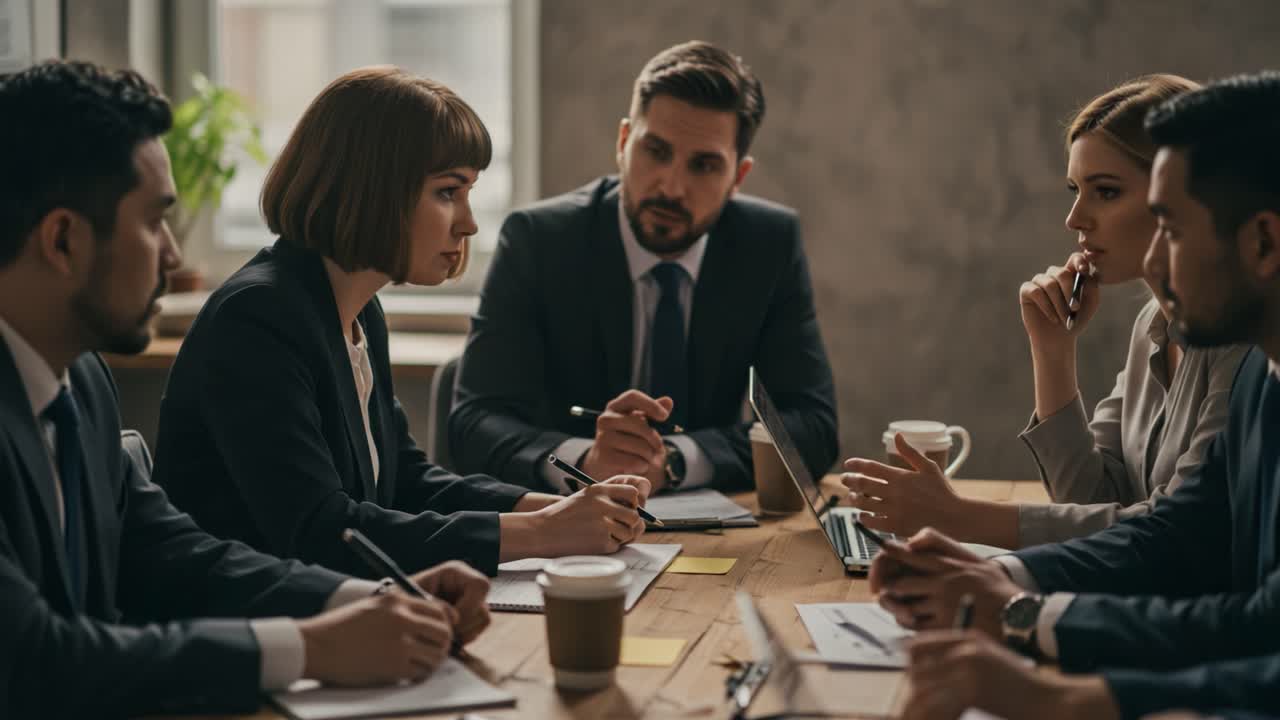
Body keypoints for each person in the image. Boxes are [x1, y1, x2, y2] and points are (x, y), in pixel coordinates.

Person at [0, 59, 493, 719]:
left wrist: (360, 601)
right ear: (63, 239)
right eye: (154, 223)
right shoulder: (255, 316)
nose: (174, 257)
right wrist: (307, 649)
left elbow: (173, 552)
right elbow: (36, 661)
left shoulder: (81, 380)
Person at [878, 71, 1280, 720]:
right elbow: (1180, 533)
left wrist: (1061, 691)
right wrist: (1011, 591)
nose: (1153, 266)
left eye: (1169, 230)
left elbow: (1260, 630)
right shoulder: (1266, 375)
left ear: (1263, 242)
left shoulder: (1247, 361)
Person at [153, 67, 650, 580]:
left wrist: (561, 508)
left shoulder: (357, 307)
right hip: (248, 629)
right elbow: (320, 531)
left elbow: (406, 481)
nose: (469, 222)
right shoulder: (258, 318)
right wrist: (542, 533)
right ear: (373, 189)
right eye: (447, 192)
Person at [842, 75, 1250, 549]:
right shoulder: (1152, 328)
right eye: (1074, 189)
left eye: (1106, 192)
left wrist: (957, 517)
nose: (1075, 219)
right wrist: (1052, 352)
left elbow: (1180, 535)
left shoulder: (1247, 346)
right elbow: (1088, 496)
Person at [449, 40, 838, 494]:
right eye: (655, 151)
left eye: (704, 165)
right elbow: (474, 424)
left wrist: (675, 460)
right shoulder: (539, 241)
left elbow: (811, 426)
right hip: (567, 532)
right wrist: (586, 461)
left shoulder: (767, 244)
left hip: (716, 532)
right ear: (622, 142)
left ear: (738, 178)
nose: (671, 187)